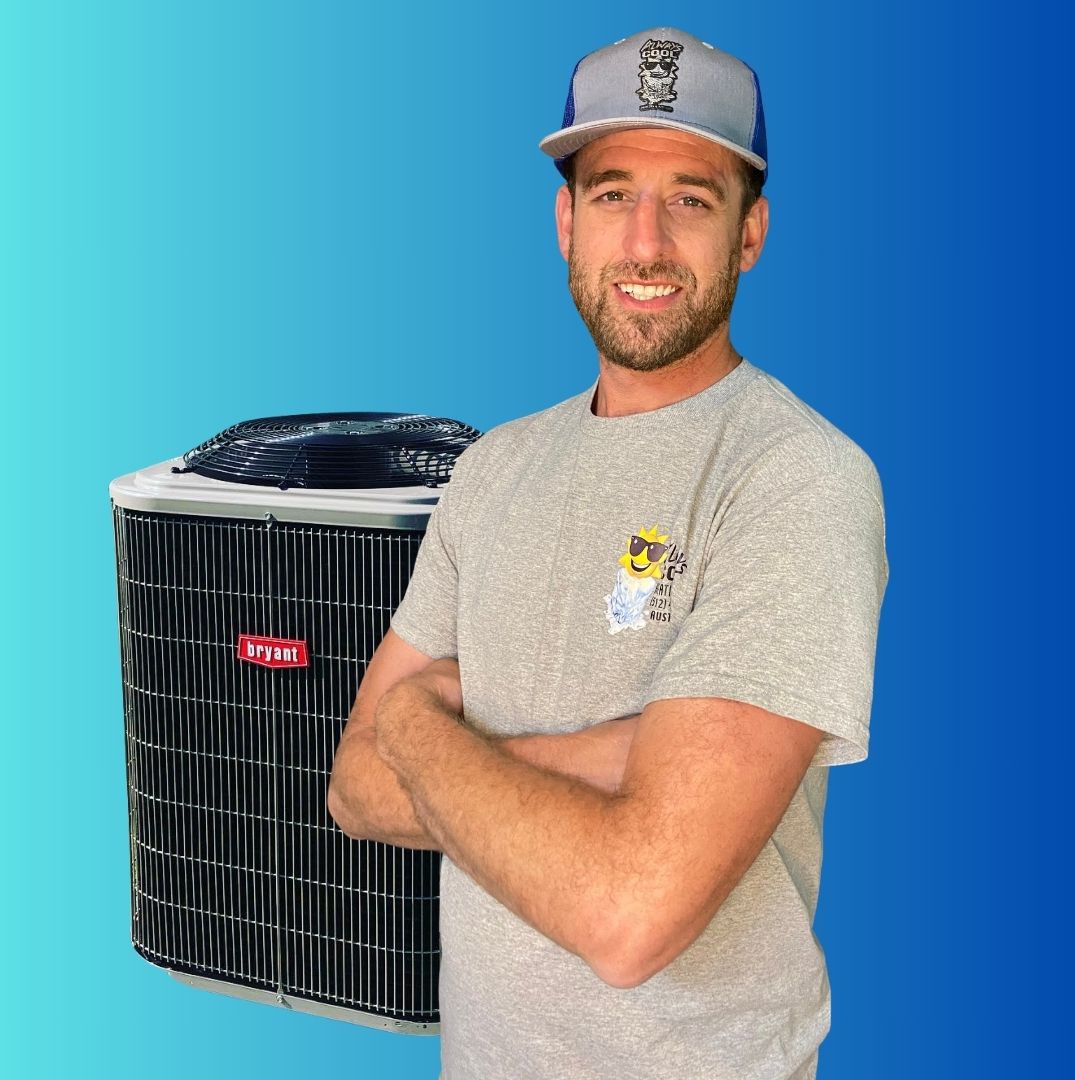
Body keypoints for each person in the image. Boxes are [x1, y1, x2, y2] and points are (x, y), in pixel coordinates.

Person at [329, 26, 887, 1080]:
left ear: (751, 232)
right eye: (612, 192)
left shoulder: (795, 478)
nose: (644, 243)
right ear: (565, 222)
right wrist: (610, 757)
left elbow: (632, 916)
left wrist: (416, 726)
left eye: (692, 200)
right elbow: (355, 789)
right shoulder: (490, 470)